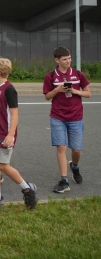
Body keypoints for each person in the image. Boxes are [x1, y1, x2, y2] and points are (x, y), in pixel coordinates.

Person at [0, 58, 37, 210]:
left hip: (4, 133)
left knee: (3, 165)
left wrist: (10, 135)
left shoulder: (9, 89)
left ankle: (27, 189)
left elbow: (15, 114)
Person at [43, 47, 91, 194]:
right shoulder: (51, 76)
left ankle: (75, 167)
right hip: (57, 116)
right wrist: (57, 90)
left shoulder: (78, 74)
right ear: (57, 60)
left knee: (76, 150)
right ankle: (64, 180)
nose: (68, 61)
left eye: (69, 58)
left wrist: (76, 91)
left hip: (76, 117)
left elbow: (88, 93)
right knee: (61, 147)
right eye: (65, 59)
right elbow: (47, 96)